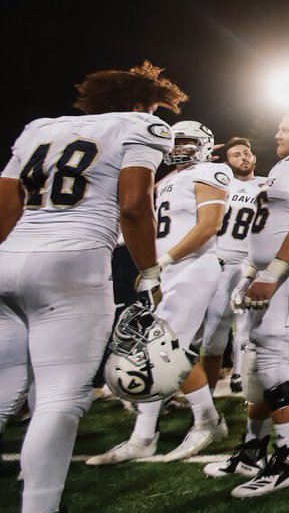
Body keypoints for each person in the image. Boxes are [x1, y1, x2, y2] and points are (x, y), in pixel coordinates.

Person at [0, 61, 182, 513]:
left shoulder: (39, 128)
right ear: (142, 103)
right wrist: (150, 271)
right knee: (62, 397)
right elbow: (135, 205)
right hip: (73, 263)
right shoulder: (141, 125)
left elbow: (6, 203)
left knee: (3, 392)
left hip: (8, 259)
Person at [208, 110, 289, 498]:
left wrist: (271, 274)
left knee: (271, 360)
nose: (276, 133)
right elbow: (268, 228)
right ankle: (253, 451)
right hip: (272, 272)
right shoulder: (281, 168)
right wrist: (252, 271)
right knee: (253, 362)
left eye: (285, 128)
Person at [88, 120, 232, 465]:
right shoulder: (166, 180)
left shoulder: (213, 170)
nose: (179, 146)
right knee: (156, 350)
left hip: (193, 266)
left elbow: (208, 226)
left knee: (167, 350)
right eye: (176, 140)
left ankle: (206, 421)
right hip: (164, 271)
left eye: (186, 140)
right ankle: (145, 436)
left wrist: (163, 261)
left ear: (204, 143)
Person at [199, 137, 264, 394]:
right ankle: (202, 393)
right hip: (217, 263)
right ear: (227, 161)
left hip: (250, 264)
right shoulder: (217, 183)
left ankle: (240, 375)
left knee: (247, 328)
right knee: (211, 332)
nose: (243, 158)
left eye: (246, 153)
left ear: (254, 156)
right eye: (236, 155)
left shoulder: (266, 185)